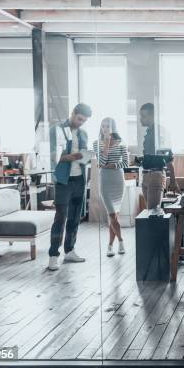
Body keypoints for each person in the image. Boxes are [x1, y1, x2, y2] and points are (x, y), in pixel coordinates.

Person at [48, 103, 92, 271]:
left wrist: (85, 157)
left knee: (75, 218)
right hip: (63, 181)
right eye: (79, 119)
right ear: (73, 113)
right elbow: (54, 157)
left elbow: (83, 156)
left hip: (79, 180)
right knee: (60, 218)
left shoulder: (83, 133)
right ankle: (53, 255)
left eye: (84, 121)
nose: (81, 122)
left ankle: (70, 250)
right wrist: (73, 156)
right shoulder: (56, 130)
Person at [93, 118, 129, 257]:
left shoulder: (121, 143)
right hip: (105, 182)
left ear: (113, 128)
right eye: (103, 126)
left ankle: (109, 246)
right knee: (112, 215)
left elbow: (126, 163)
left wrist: (114, 165)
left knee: (114, 217)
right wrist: (107, 144)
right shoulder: (96, 143)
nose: (105, 129)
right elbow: (101, 163)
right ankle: (121, 241)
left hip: (118, 181)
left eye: (108, 126)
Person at [139, 103, 179, 213]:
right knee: (150, 212)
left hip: (155, 176)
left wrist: (173, 181)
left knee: (154, 213)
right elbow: (152, 156)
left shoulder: (160, 133)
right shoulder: (149, 133)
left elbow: (168, 159)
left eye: (143, 116)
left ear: (152, 116)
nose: (140, 119)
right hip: (146, 175)